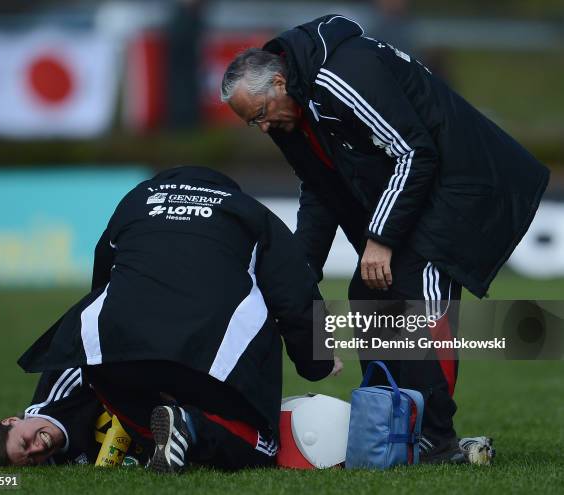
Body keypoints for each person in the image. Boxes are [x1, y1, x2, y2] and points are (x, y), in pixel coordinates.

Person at [221, 15, 549, 463]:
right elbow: (320, 189)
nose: (261, 128)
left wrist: (381, 238)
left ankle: (435, 437)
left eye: (258, 114)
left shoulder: (339, 74)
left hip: (462, 179)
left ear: (278, 81)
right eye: (250, 123)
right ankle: (387, 425)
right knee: (367, 292)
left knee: (417, 293)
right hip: (418, 187)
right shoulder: (287, 112)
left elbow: (414, 151)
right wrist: (295, 280)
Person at [0, 166, 339, 471]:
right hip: (211, 356)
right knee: (263, 448)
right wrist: (318, 361)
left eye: (25, 445)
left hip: (124, 351)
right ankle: (187, 428)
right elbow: (295, 288)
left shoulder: (134, 202)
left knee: (107, 367)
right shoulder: (247, 209)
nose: (37, 449)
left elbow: (104, 280)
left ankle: (171, 432)